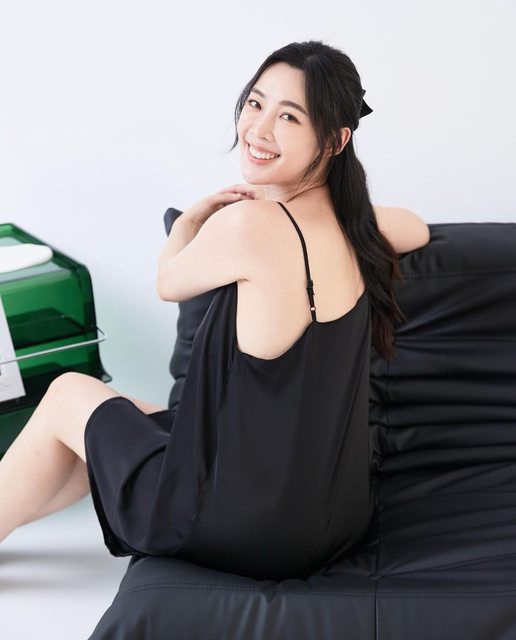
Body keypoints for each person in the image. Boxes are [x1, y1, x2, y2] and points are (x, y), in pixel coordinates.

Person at [0, 40, 430, 580]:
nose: (259, 129)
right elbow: (417, 228)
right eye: (255, 103)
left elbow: (168, 283)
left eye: (289, 116)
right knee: (120, 421)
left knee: (67, 393)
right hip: (332, 521)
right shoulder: (356, 225)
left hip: (247, 527)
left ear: (334, 140)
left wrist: (188, 222)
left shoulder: (246, 225)